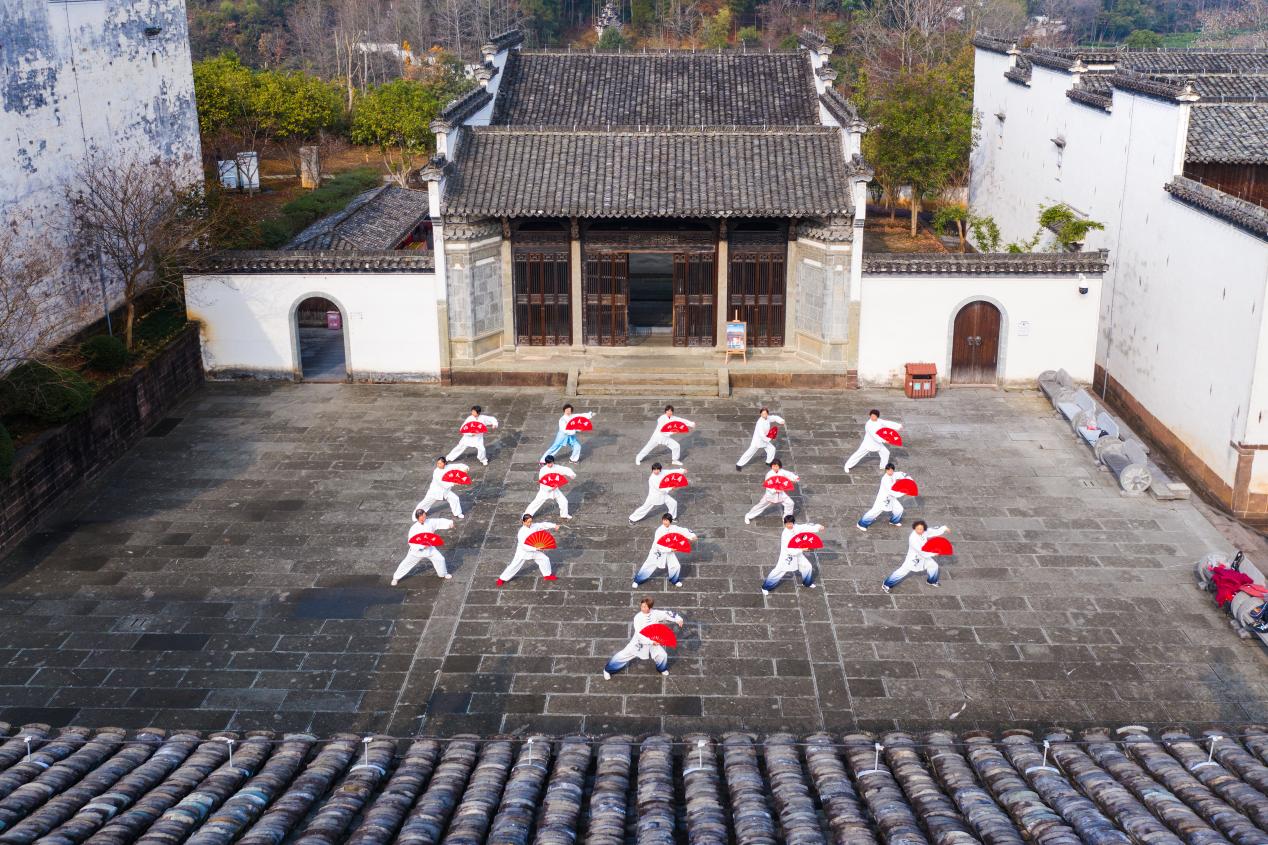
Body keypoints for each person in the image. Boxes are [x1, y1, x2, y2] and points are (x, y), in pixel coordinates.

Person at [603, 596, 684, 679]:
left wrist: (678, 619)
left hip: (653, 640)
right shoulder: (638, 617)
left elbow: (667, 614)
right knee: (623, 655)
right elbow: (639, 633)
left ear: (650, 607)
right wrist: (651, 642)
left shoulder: (655, 613)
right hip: (639, 642)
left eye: (645, 606)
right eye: (642, 606)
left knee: (662, 655)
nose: (642, 608)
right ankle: (607, 670)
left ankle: (661, 668)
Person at [882, 520, 950, 593]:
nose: (920, 530)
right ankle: (886, 584)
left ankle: (932, 581)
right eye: (918, 529)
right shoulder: (913, 538)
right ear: (914, 528)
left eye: (921, 529)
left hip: (924, 557)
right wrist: (934, 553)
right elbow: (921, 551)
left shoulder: (924, 532)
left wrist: (944, 528)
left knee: (934, 566)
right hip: (914, 558)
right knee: (902, 572)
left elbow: (932, 531)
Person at [391, 508, 454, 585]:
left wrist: (449, 523)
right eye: (422, 518)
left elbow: (439, 521)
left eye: (424, 517)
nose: (424, 519)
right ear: (417, 519)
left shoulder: (430, 522)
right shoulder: (413, 529)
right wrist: (422, 546)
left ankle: (443, 574)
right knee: (406, 564)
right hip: (416, 551)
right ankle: (396, 578)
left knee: (440, 559)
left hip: (430, 549)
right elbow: (411, 542)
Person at [633, 513, 697, 588]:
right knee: (649, 564)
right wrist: (670, 549)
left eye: (666, 520)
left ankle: (674, 580)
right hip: (658, 551)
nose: (665, 522)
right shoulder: (659, 530)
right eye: (664, 520)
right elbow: (658, 544)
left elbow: (683, 530)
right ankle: (637, 580)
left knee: (675, 565)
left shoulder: (674, 528)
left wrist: (692, 536)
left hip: (669, 551)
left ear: (670, 521)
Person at [762, 515, 821, 595]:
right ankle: (766, 587)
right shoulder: (785, 534)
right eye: (787, 524)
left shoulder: (796, 527)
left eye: (791, 523)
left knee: (807, 566)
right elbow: (789, 550)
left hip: (798, 554)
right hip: (788, 556)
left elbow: (805, 527)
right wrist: (802, 549)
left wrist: (818, 527)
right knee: (779, 571)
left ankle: (807, 583)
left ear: (793, 523)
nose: (789, 525)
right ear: (785, 523)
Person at [497, 514, 559, 586]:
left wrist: (554, 525)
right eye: (528, 522)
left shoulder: (534, 526)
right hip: (523, 552)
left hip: (534, 550)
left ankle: (547, 575)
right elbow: (523, 546)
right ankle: (502, 578)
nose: (530, 523)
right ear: (523, 522)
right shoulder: (521, 532)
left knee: (545, 559)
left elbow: (543, 525)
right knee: (514, 565)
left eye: (531, 521)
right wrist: (535, 548)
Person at [744, 459, 798, 524]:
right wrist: (775, 490)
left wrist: (795, 479)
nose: (775, 468)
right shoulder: (769, 474)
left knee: (790, 503)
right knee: (761, 505)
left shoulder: (782, 472)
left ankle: (786, 518)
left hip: (781, 494)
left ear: (779, 466)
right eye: (773, 466)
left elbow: (790, 475)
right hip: (771, 495)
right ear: (771, 466)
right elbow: (768, 486)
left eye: (776, 466)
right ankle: (748, 516)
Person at [856, 463, 908, 531]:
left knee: (899, 509)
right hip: (883, 499)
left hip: (891, 498)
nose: (890, 472)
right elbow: (892, 491)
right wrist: (904, 492)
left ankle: (894, 521)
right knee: (874, 512)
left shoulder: (894, 474)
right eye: (888, 470)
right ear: (886, 470)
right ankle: (861, 524)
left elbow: (902, 474)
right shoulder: (885, 479)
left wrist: (908, 479)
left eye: (891, 470)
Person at [525, 455, 575, 520]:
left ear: (553, 462)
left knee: (564, 501)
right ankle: (527, 515)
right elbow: (543, 481)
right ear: (546, 463)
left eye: (551, 463)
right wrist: (550, 487)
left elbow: (564, 469)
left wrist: (571, 474)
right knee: (537, 502)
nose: (550, 464)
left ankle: (564, 515)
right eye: (548, 463)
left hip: (555, 490)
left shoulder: (556, 467)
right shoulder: (543, 470)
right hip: (545, 491)